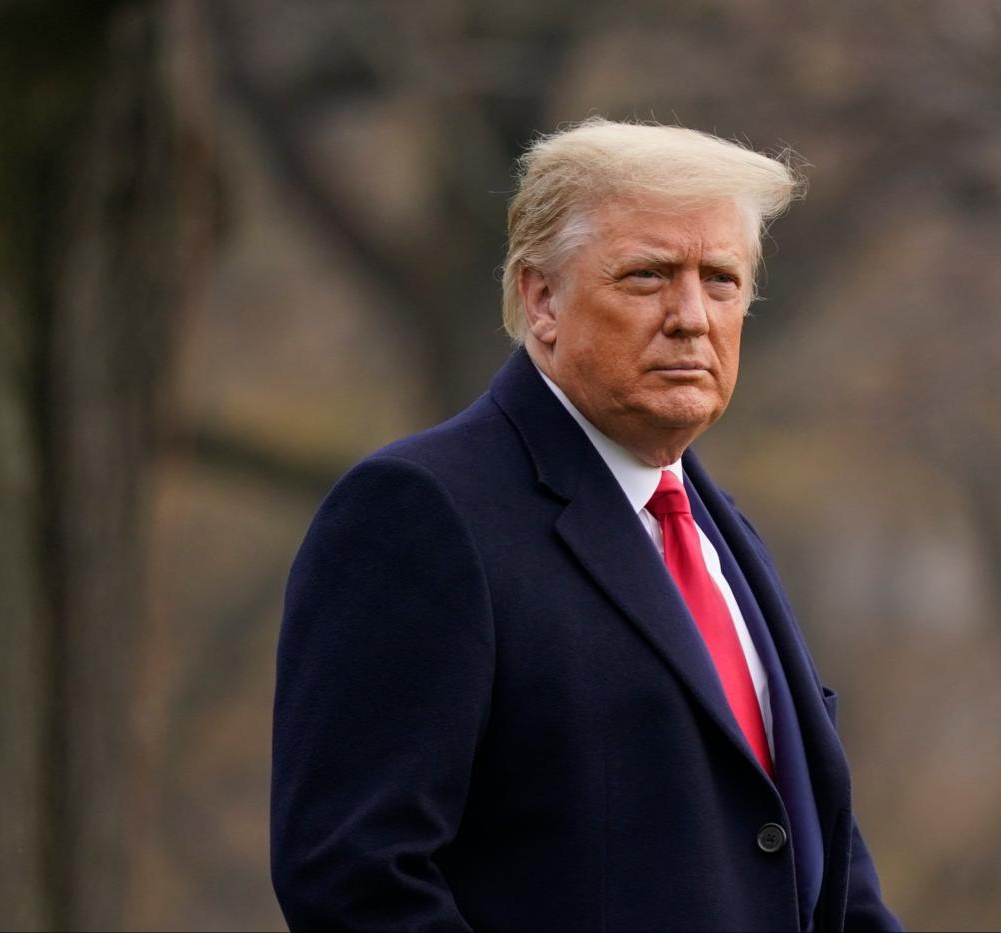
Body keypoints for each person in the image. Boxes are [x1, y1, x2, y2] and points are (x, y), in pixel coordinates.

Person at [270, 118, 902, 932]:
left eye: (721, 280)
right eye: (647, 276)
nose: (691, 317)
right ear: (542, 299)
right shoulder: (419, 512)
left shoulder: (719, 529)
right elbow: (354, 880)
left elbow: (822, 860)